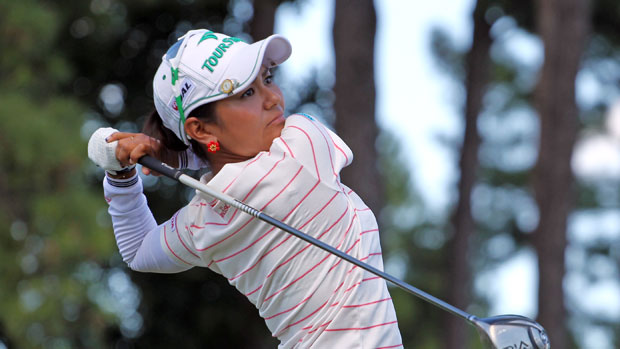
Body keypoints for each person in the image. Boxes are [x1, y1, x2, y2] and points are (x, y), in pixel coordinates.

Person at [89, 29, 403, 348]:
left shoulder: (202, 220)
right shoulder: (304, 146)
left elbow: (138, 249)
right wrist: (177, 155)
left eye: (267, 78)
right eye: (246, 94)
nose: (274, 99)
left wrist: (121, 173)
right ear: (200, 128)